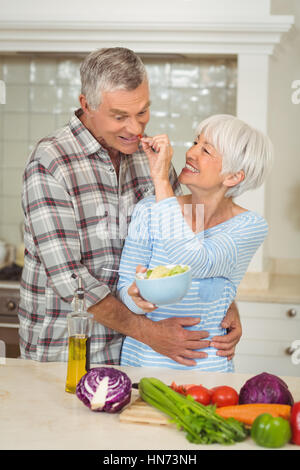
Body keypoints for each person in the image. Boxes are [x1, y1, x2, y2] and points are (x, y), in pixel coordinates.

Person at [18, 47, 241, 364]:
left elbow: (188, 241)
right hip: (70, 353)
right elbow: (71, 279)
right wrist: (150, 333)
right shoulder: (51, 162)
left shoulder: (149, 155)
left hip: (137, 355)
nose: (135, 129)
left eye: (142, 112)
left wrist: (226, 303)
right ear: (86, 104)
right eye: (120, 116)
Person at [117, 114, 273, 370]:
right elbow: (125, 286)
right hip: (143, 365)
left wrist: (160, 180)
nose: (190, 153)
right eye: (195, 143)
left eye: (206, 150)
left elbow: (193, 262)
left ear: (233, 177)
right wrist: (136, 300)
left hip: (207, 371)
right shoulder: (149, 210)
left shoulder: (249, 226)